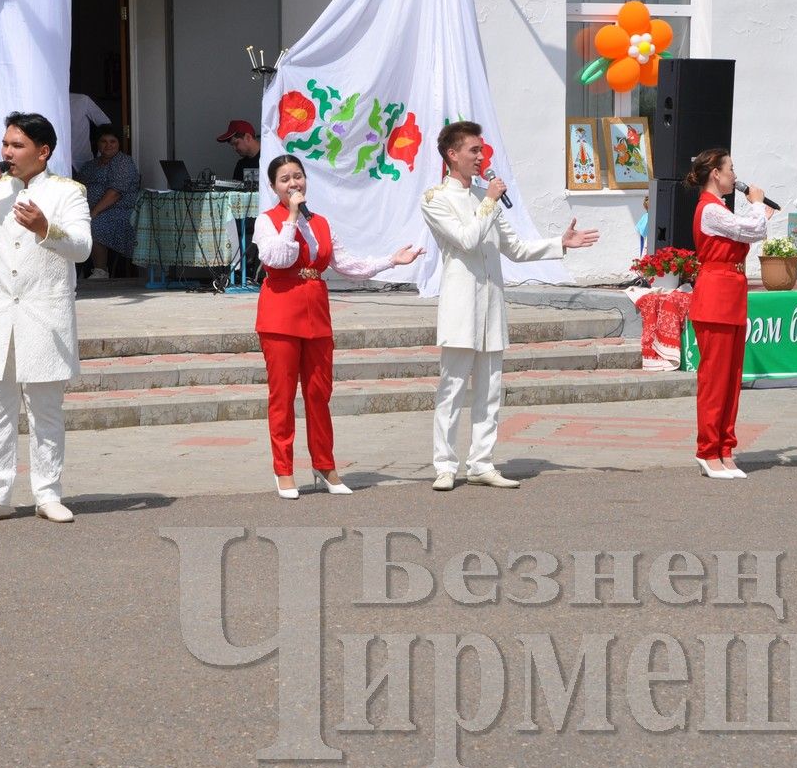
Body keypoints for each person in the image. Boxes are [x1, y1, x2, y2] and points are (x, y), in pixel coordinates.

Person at [421, 121, 600, 491]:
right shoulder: (436, 198)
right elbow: (467, 240)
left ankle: (482, 462)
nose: (480, 157)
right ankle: (444, 464)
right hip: (460, 308)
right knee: (452, 388)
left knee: (489, 389)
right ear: (452, 155)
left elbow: (514, 249)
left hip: (490, 307)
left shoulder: (484, 198)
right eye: (473, 150)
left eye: (482, 150)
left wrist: (560, 243)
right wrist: (488, 200)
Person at [0, 112, 92, 524]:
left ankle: (47, 493)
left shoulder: (68, 192)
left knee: (45, 409)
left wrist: (47, 228)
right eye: (5, 144)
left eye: (17, 145)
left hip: (44, 315)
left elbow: (81, 248)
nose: (6, 152)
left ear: (42, 152)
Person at [254, 154, 423, 499]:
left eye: (298, 177)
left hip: (316, 315)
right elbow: (279, 258)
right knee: (282, 397)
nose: (293, 184)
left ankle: (324, 464)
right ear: (273, 187)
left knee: (319, 394)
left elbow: (348, 264)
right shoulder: (267, 221)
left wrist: (391, 260)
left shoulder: (322, 224)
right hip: (280, 316)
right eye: (285, 179)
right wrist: (290, 217)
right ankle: (283, 470)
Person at [685, 148, 770, 480]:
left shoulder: (720, 209)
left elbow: (750, 229)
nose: (735, 175)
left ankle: (725, 447)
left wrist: (757, 216)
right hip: (715, 294)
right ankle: (707, 450)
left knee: (731, 378)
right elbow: (752, 229)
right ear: (715, 175)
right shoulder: (709, 210)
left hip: (731, 293)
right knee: (714, 379)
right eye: (730, 169)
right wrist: (758, 205)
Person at [76, 124, 141, 280]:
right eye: (104, 141)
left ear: (119, 144)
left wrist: (94, 212)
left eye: (113, 141)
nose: (108, 145)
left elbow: (115, 193)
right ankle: (76, 271)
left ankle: (100, 271)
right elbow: (77, 186)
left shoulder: (123, 162)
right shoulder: (91, 165)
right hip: (93, 210)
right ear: (97, 144)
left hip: (120, 211)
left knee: (93, 224)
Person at [218, 119, 264, 282]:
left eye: (236, 143)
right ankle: (237, 271)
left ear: (248, 137)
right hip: (245, 217)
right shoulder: (241, 164)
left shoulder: (269, 157)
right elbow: (235, 190)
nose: (235, 148)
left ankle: (254, 272)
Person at [68, 92, 111, 172]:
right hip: (55, 164)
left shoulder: (81, 100)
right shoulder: (46, 103)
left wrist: (100, 156)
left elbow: (105, 124)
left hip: (83, 163)